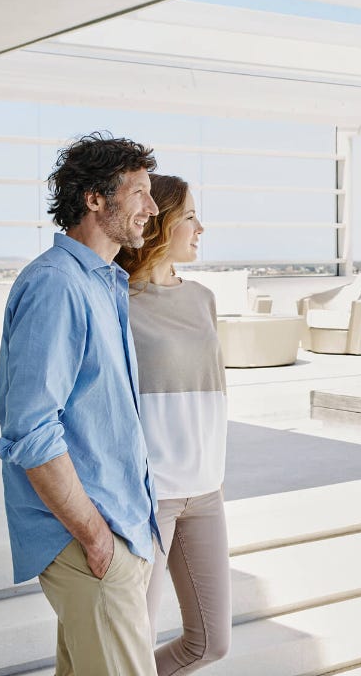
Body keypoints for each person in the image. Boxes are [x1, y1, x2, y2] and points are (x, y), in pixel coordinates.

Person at [0, 132, 162, 676]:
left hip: (117, 530)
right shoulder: (57, 285)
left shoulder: (104, 283)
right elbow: (32, 430)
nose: (152, 208)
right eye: (138, 191)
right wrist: (95, 537)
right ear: (95, 198)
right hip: (92, 538)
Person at [116, 174, 232, 675]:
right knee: (125, 650)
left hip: (206, 491)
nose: (200, 226)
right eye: (189, 216)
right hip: (149, 498)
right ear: (161, 223)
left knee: (209, 643)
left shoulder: (202, 298)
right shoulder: (115, 300)